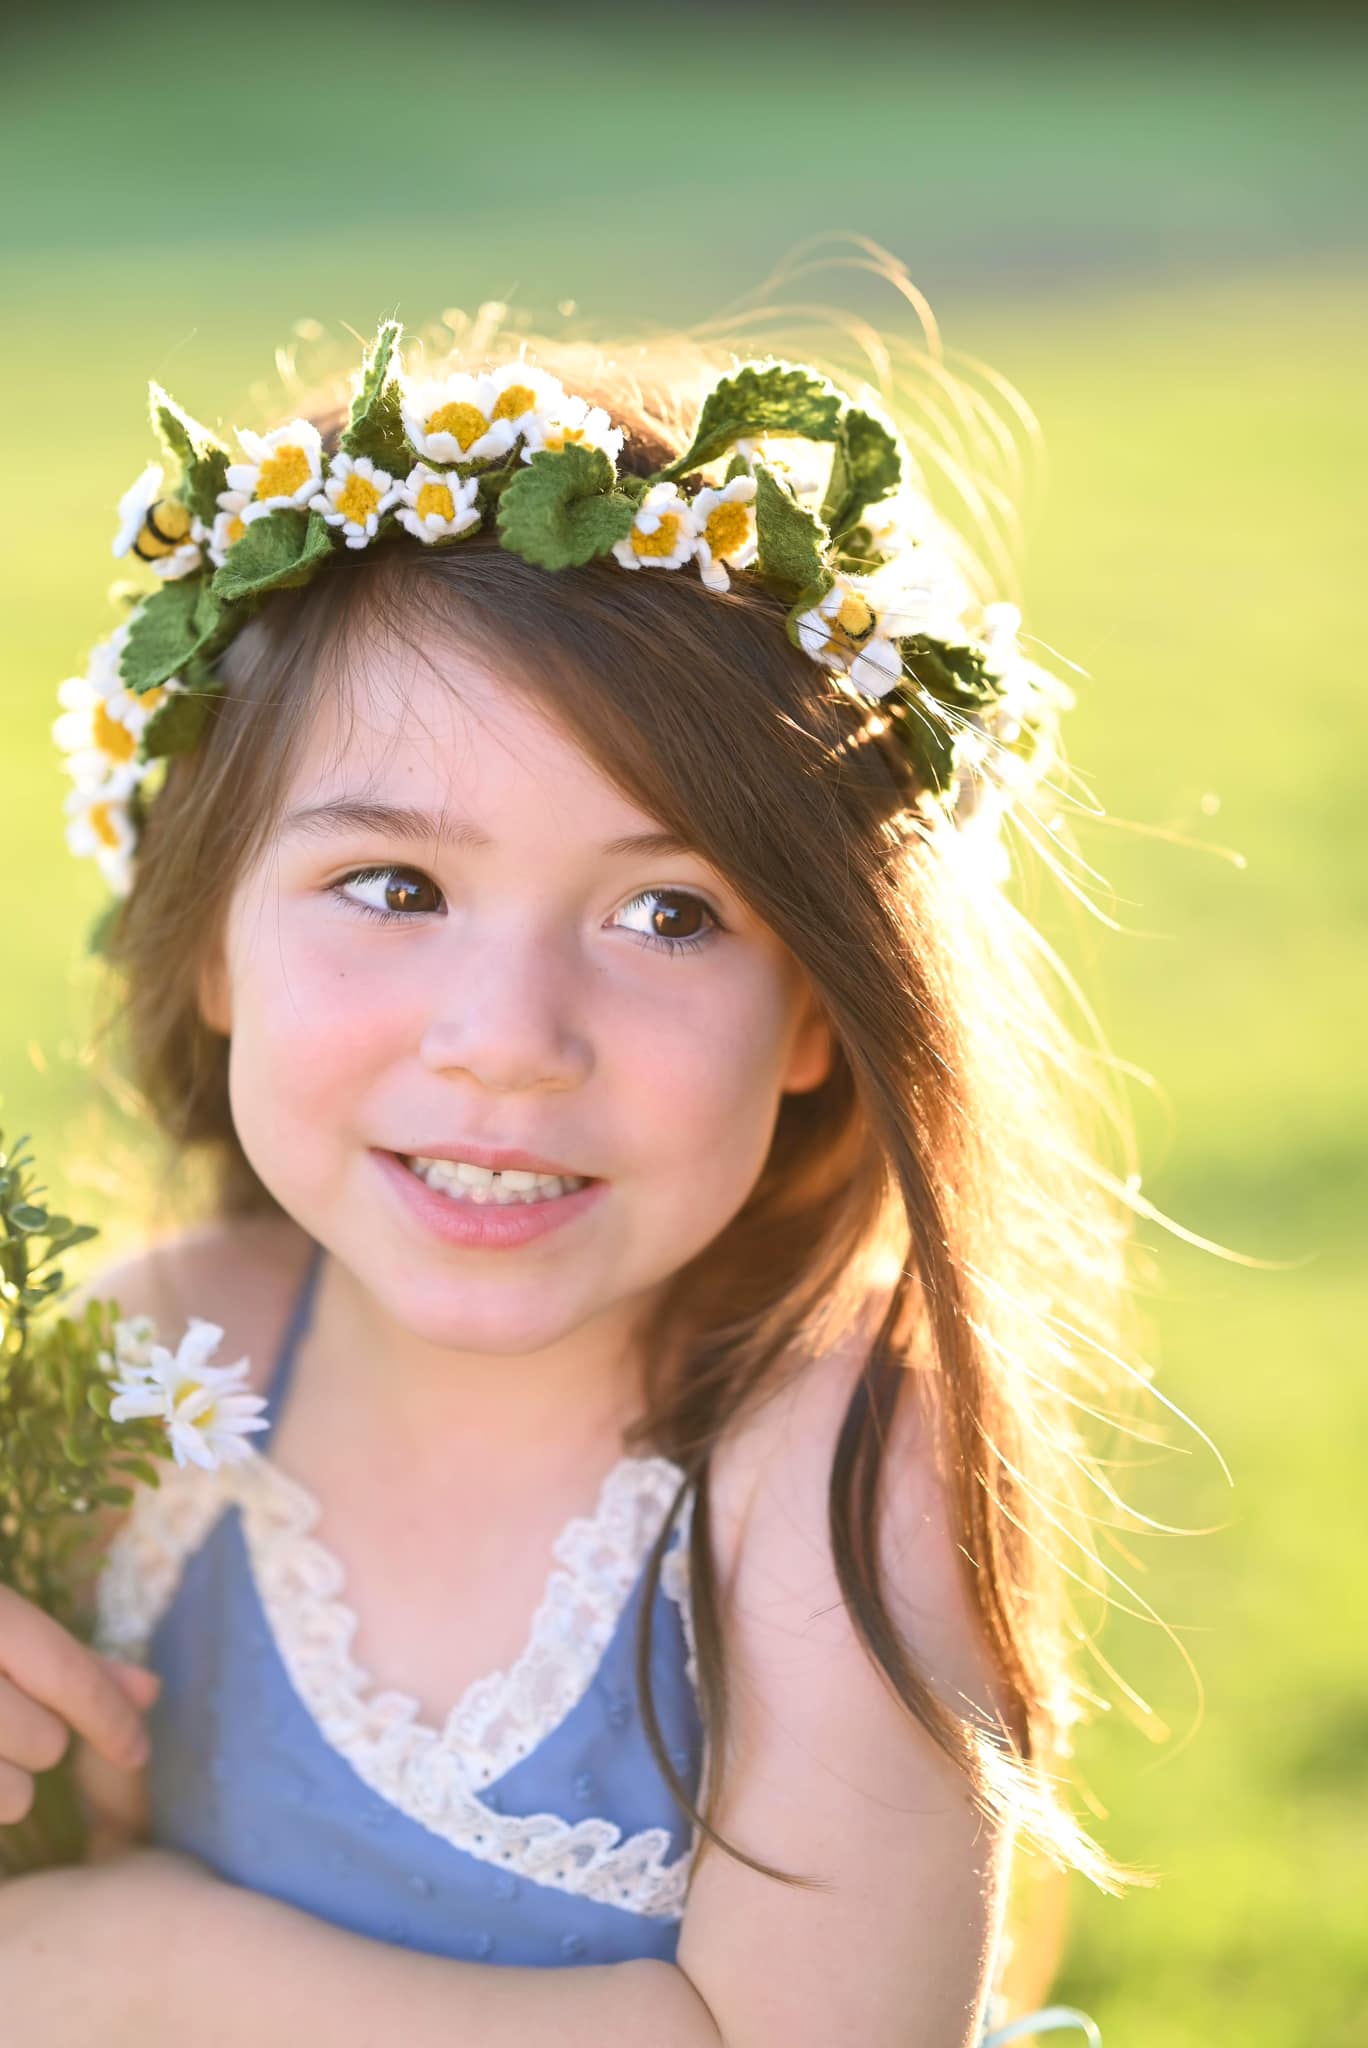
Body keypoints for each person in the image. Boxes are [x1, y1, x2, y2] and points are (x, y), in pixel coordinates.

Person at [0, 254, 1142, 2043]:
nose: (511, 1040)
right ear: (210, 933)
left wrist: (140, 1966)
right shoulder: (149, 1372)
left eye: (670, 914)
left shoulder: (824, 1453)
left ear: (821, 1013)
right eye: (395, 887)